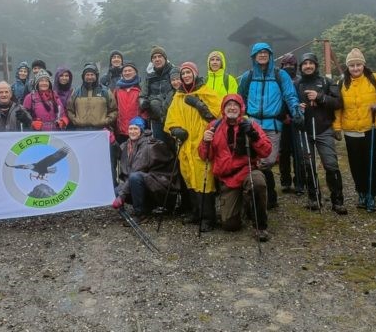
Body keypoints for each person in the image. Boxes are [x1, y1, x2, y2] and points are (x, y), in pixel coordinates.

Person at [237, 42, 303, 210]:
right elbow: (240, 97)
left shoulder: (281, 75)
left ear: (271, 55)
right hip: (252, 124)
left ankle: (266, 195)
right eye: (259, 53)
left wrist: (296, 111)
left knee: (268, 160)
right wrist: (241, 116)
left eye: (265, 52)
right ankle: (265, 198)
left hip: (273, 124)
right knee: (252, 160)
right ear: (253, 56)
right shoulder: (248, 76)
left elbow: (290, 95)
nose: (262, 55)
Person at [198, 94, 272, 240]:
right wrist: (205, 142)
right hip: (227, 178)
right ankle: (244, 205)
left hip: (247, 171)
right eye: (228, 105)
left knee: (257, 183)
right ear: (223, 108)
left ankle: (260, 227)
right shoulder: (214, 126)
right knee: (230, 225)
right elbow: (205, 156)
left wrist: (254, 135)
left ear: (241, 108)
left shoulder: (251, 125)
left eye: (235, 105)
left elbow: (266, 151)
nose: (232, 108)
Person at [164, 61, 221, 232]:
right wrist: (175, 130)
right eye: (183, 74)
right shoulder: (178, 96)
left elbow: (217, 117)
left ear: (195, 73)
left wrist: (200, 106)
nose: (186, 76)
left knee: (204, 179)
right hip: (185, 144)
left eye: (189, 73)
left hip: (203, 142)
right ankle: (196, 212)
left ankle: (208, 217)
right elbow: (170, 119)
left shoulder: (207, 93)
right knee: (189, 177)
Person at [295, 53, 346, 214]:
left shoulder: (326, 81)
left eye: (311, 63)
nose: (308, 66)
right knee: (308, 165)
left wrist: (320, 97)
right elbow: (288, 104)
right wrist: (298, 109)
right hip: (304, 130)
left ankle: (337, 201)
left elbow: (338, 102)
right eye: (304, 64)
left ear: (316, 65)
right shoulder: (296, 85)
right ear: (301, 67)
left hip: (324, 129)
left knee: (331, 165)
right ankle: (313, 198)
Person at [334, 48, 376, 212]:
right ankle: (361, 192)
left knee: (373, 163)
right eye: (352, 65)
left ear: (363, 65)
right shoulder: (342, 83)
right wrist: (337, 127)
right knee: (356, 164)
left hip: (372, 128)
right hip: (351, 130)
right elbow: (338, 107)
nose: (355, 68)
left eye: (358, 65)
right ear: (348, 67)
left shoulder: (375, 79)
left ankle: (372, 194)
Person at [111, 117, 179, 223]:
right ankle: (146, 207)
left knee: (134, 178)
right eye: (130, 129)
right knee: (115, 191)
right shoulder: (128, 144)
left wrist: (122, 195)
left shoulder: (148, 145)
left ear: (141, 130)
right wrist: (113, 142)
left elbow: (137, 169)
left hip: (159, 186)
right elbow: (118, 154)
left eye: (135, 129)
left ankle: (141, 214)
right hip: (146, 185)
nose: (132, 132)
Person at [277, 53, 305, 195]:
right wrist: (282, 116)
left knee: (298, 153)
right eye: (286, 65)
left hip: (297, 121)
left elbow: (299, 99)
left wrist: (297, 115)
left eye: (291, 65)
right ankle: (285, 181)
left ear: (295, 66)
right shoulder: (278, 80)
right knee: (283, 152)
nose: (289, 67)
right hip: (282, 121)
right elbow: (276, 100)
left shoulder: (300, 81)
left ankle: (299, 182)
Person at [140, 46, 177, 142]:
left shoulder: (174, 71)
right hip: (156, 118)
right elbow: (143, 94)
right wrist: (144, 103)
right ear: (151, 60)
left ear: (165, 58)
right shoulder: (149, 76)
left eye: (159, 56)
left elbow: (178, 89)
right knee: (159, 147)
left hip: (174, 116)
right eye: (154, 57)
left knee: (175, 146)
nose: (157, 59)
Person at [114, 62, 142, 144]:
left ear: (135, 73)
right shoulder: (117, 90)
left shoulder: (140, 89)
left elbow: (145, 110)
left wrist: (141, 122)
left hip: (136, 129)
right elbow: (113, 107)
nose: (127, 73)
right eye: (125, 71)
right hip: (120, 130)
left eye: (130, 70)